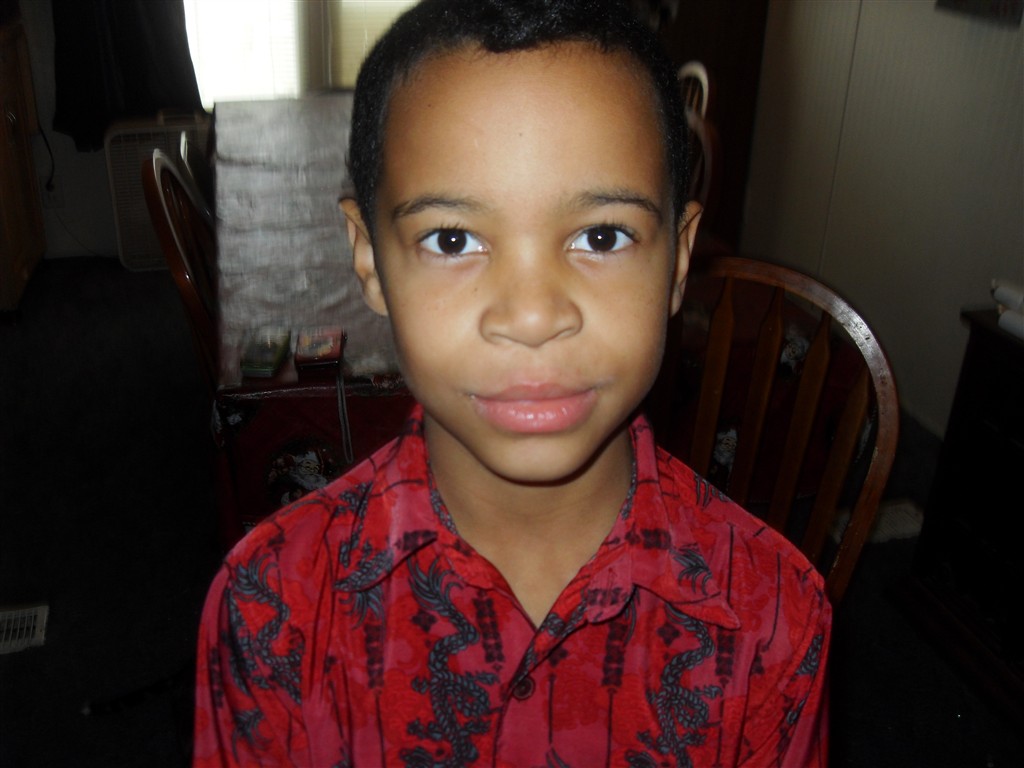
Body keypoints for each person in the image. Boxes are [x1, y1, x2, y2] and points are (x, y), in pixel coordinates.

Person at [192, 1, 831, 765]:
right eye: (452, 239)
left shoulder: (775, 616)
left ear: (679, 258)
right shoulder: (270, 609)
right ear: (369, 260)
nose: (531, 316)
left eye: (602, 236)